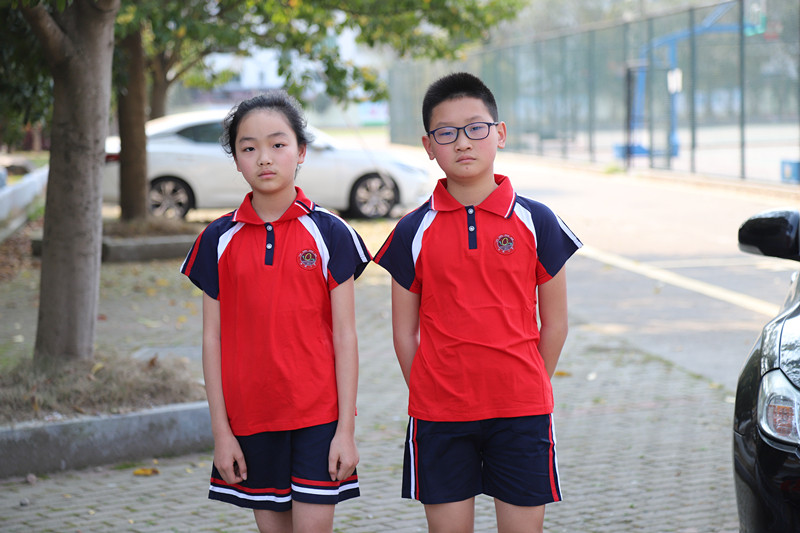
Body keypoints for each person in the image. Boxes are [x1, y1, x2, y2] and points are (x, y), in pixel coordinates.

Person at [374, 72, 582, 533]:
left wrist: (527, 383)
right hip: (440, 416)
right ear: (429, 146)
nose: (463, 142)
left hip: (521, 412)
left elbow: (556, 324)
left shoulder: (537, 221)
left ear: (500, 134)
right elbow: (403, 332)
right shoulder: (412, 230)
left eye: (475, 128)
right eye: (446, 133)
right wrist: (429, 390)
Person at [181, 90, 370, 533]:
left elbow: (345, 336)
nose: (264, 158)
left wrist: (345, 431)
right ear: (236, 160)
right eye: (249, 148)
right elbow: (212, 339)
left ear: (301, 151)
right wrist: (222, 433)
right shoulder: (217, 239)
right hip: (251, 420)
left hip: (318, 418)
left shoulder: (330, 232)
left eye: (278, 144)